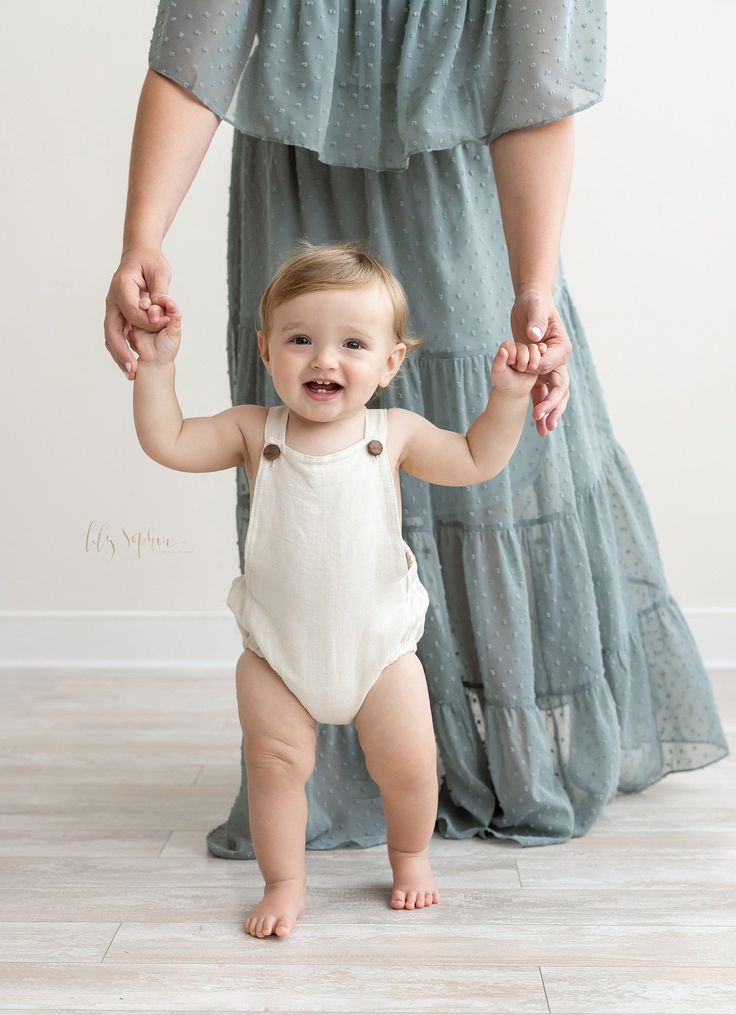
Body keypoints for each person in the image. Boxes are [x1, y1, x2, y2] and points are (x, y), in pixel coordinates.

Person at [105, 1, 728, 855]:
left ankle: (487, 760)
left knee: (490, 420)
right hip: (299, 179)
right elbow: (194, 56)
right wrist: (142, 235)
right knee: (306, 442)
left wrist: (534, 281)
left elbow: (533, 89)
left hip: (462, 187)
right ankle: (329, 772)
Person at [127, 241, 542, 937]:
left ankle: (409, 857)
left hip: (379, 652)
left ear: (390, 362)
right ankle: (284, 880)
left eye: (352, 342)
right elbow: (166, 439)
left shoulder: (394, 434)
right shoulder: (254, 431)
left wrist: (506, 399)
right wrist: (157, 368)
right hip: (277, 657)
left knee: (411, 765)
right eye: (300, 339)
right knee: (274, 767)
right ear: (266, 351)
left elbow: (475, 458)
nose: (324, 359)